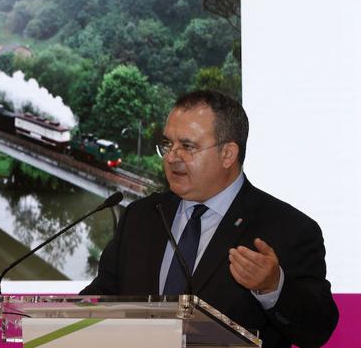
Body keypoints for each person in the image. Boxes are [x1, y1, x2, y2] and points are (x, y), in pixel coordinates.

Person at [81, 91, 338, 348]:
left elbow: (317, 330)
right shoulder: (141, 217)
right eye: (168, 145)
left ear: (228, 154)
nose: (171, 157)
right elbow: (99, 298)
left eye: (187, 146)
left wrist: (273, 287)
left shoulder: (288, 228)